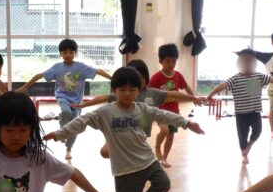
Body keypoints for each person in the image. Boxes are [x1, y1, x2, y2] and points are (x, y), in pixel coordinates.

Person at [45, 67, 204, 192]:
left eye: (132, 90)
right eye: (122, 90)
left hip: (147, 160)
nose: (127, 94)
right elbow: (82, 121)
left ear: (138, 90)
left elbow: (163, 114)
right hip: (124, 168)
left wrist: (187, 123)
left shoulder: (142, 109)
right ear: (114, 91)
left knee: (163, 184)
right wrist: (59, 134)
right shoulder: (105, 112)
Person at [73, 59, 204, 159]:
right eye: (134, 77)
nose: (138, 81)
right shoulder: (124, 93)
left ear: (146, 78)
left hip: (139, 135)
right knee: (105, 152)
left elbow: (174, 94)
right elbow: (104, 98)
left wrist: (192, 98)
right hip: (121, 132)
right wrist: (85, 104)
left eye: (141, 77)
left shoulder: (152, 93)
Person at [16, 38, 111, 160]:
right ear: (61, 54)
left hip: (77, 101)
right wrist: (24, 87)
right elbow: (39, 75)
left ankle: (69, 149)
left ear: (75, 53)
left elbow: (98, 71)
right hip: (63, 97)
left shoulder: (81, 67)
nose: (68, 55)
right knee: (66, 112)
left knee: (75, 125)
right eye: (65, 52)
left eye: (71, 52)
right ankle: (62, 131)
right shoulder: (57, 67)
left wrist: (113, 78)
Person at [207, 49, 273, 165]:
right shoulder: (235, 79)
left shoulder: (259, 76)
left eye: (250, 62)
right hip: (241, 114)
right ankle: (244, 153)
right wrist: (211, 94)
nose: (247, 65)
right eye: (245, 62)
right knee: (242, 136)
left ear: (254, 64)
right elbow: (223, 85)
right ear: (239, 64)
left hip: (255, 112)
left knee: (258, 131)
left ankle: (249, 146)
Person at [149, 43, 195, 168]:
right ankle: (157, 147)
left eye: (174, 61)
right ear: (161, 61)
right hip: (161, 111)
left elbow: (186, 87)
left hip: (174, 111)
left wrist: (194, 98)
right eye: (167, 61)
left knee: (170, 136)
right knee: (165, 130)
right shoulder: (156, 77)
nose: (171, 64)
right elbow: (149, 93)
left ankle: (164, 157)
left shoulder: (178, 75)